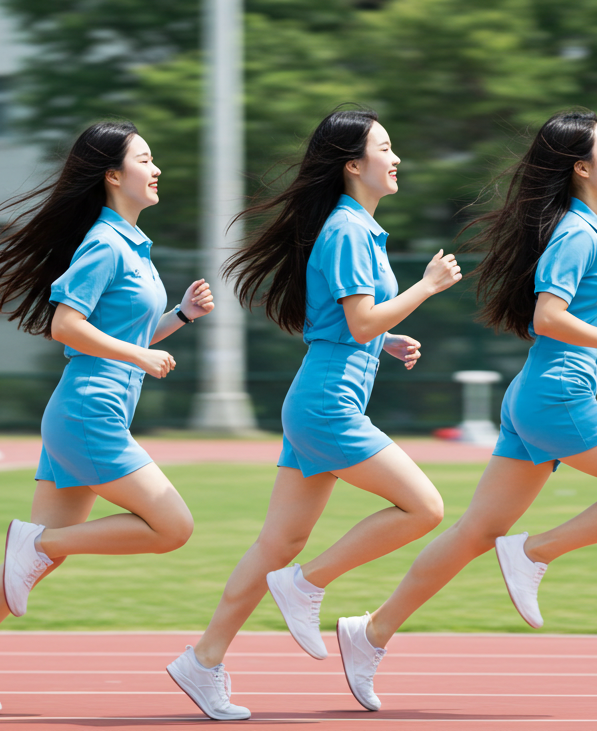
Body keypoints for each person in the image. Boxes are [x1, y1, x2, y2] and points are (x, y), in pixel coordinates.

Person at [331, 108, 597, 712]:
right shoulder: (578, 233)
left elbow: (564, 322)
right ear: (582, 167)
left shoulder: (587, 233)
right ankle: (536, 551)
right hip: (559, 402)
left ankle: (370, 633)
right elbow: (546, 319)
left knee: (477, 530)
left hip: (539, 399)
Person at [165, 107, 462, 720]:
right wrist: (426, 287)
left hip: (321, 396)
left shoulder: (355, 229)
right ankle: (308, 584)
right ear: (354, 165)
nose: (397, 157)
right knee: (423, 507)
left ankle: (204, 659)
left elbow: (349, 327)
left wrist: (387, 341)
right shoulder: (348, 231)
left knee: (278, 540)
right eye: (386, 147)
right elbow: (359, 321)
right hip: (328, 406)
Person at [0, 121, 215, 715]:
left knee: (35, 562)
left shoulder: (131, 243)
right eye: (146, 160)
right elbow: (66, 326)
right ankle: (37, 543)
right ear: (112, 175)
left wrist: (178, 316)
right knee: (172, 528)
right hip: (89, 414)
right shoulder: (105, 243)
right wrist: (139, 355)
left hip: (85, 410)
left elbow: (118, 333)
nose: (157, 171)